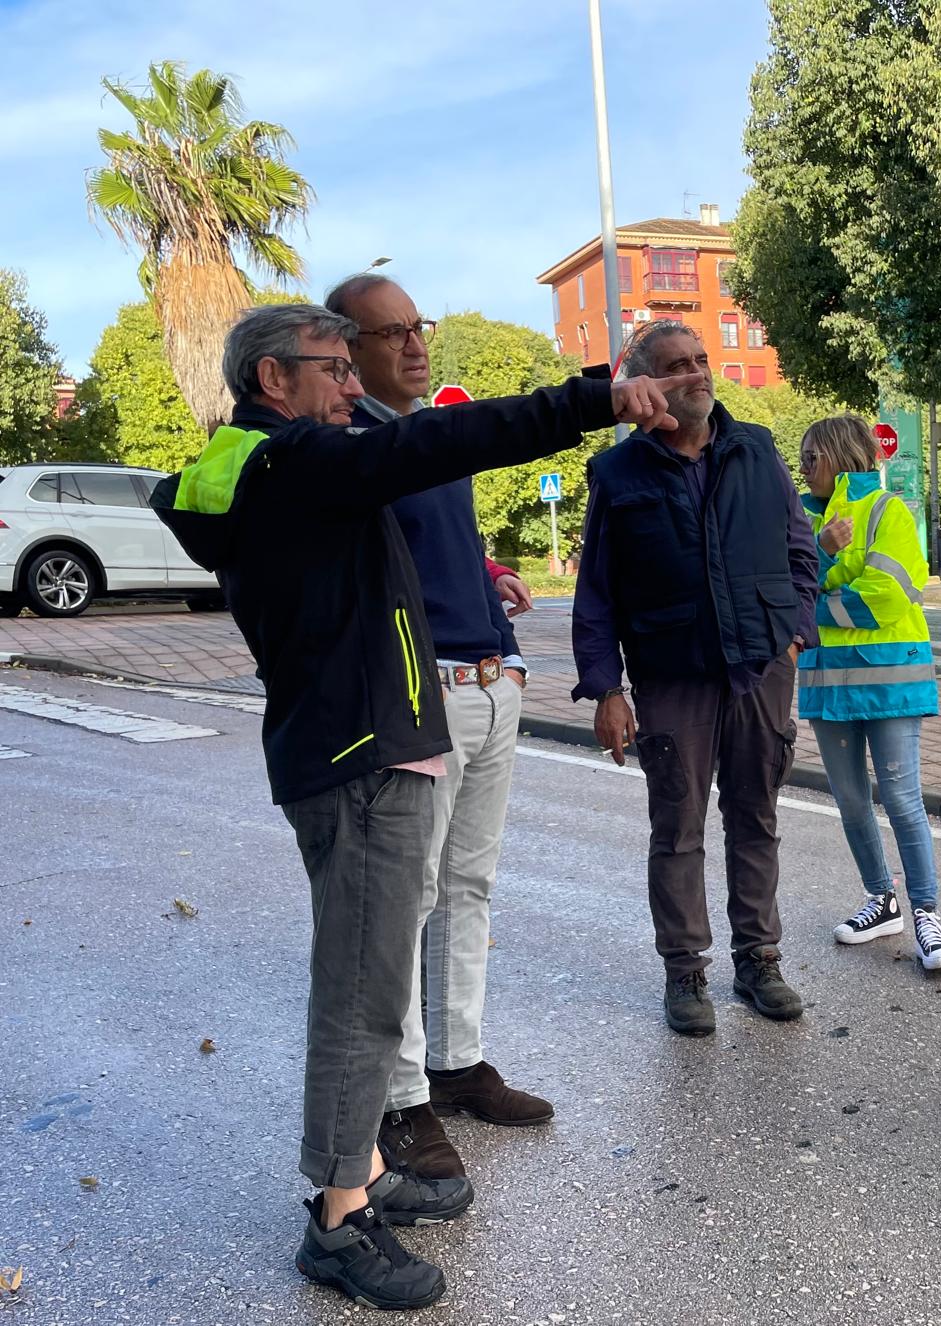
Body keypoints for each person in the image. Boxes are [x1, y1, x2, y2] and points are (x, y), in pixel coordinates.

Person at [151, 302, 689, 1309]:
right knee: (362, 992)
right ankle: (339, 1218)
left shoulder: (275, 470)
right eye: (334, 369)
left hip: (365, 743)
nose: (354, 388)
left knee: (376, 976)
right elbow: (449, 435)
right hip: (361, 757)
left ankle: (358, 1166)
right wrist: (594, 397)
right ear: (275, 381)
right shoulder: (291, 464)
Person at [327, 273, 547, 1183]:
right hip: (426, 701)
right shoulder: (353, 450)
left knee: (470, 887)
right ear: (348, 351)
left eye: (419, 327)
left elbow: (431, 545)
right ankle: (404, 1099)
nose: (416, 344)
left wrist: (487, 575)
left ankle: (456, 1063)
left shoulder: (424, 442)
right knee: (409, 897)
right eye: (391, 333)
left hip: (492, 681)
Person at [571, 321, 819, 1036]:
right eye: (678, 366)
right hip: (672, 674)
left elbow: (799, 549)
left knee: (756, 820)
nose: (698, 374)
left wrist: (795, 630)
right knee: (676, 828)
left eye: (702, 361)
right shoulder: (619, 475)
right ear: (648, 385)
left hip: (760, 668)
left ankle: (759, 960)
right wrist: (607, 689)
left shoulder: (755, 448)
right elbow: (597, 593)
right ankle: (685, 972)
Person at [795, 414, 941, 969]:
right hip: (827, 683)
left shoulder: (889, 512)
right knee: (852, 802)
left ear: (839, 455)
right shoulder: (798, 517)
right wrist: (820, 550)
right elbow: (774, 587)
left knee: (903, 801)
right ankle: (881, 900)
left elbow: (887, 595)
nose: (804, 467)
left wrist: (814, 605)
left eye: (812, 456)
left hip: (889, 680)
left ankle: (927, 915)